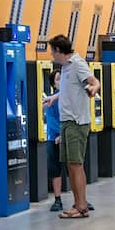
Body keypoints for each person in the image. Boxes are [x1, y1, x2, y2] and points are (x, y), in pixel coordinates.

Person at [47, 34, 99, 219]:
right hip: (66, 121)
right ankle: (77, 204)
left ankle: (81, 206)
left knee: (76, 164)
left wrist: (94, 89)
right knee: (70, 164)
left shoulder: (77, 64)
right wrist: (55, 97)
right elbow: (70, 89)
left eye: (53, 51)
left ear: (59, 51)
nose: (51, 55)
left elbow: (94, 82)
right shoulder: (65, 66)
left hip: (77, 122)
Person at [46, 68, 66, 213]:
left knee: (75, 168)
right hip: (55, 139)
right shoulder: (51, 100)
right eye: (58, 79)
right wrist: (59, 134)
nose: (61, 81)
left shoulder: (69, 98)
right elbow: (51, 121)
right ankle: (57, 199)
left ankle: (81, 198)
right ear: (53, 84)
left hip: (67, 136)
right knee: (55, 170)